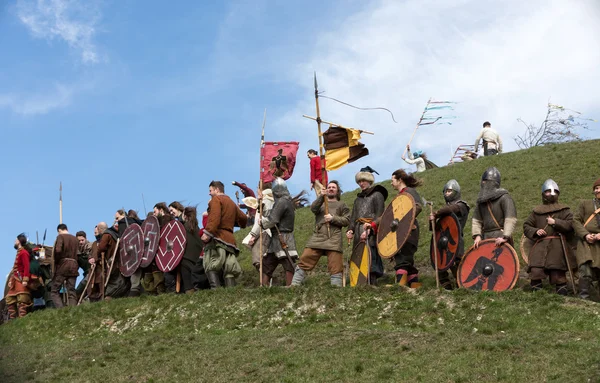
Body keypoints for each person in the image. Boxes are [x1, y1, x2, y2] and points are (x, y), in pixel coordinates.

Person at [367, 169, 424, 287]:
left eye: (392, 180)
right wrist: (373, 224)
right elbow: (386, 217)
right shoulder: (400, 196)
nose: (391, 183)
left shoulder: (409, 192)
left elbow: (417, 207)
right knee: (407, 260)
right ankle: (415, 286)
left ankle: (400, 285)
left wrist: (404, 223)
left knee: (402, 259)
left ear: (400, 180)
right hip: (401, 231)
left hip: (407, 232)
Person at [291, 181, 350, 287]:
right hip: (318, 236)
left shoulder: (342, 205)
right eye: (329, 187)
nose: (331, 189)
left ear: (337, 191)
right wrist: (321, 197)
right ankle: (294, 285)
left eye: (333, 187)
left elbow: (347, 220)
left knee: (336, 266)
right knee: (305, 259)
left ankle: (336, 290)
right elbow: (313, 208)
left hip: (334, 237)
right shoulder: (321, 203)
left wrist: (333, 218)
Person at [523, 179, 575, 295]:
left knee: (557, 270)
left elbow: (571, 224)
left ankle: (562, 295)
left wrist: (555, 222)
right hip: (540, 244)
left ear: (558, 193)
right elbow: (526, 226)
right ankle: (537, 294)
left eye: (554, 192)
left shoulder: (564, 210)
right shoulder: (536, 212)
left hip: (557, 244)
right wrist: (536, 231)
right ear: (543, 194)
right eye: (548, 192)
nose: (551, 194)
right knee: (536, 268)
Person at [201, 180, 248, 288]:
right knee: (229, 268)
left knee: (210, 264)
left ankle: (216, 292)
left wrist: (208, 233)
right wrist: (237, 224)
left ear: (217, 189)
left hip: (218, 237)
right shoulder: (231, 202)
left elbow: (214, 218)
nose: (209, 193)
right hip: (230, 240)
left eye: (210, 190)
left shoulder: (216, 200)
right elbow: (244, 218)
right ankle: (230, 293)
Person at [346, 166, 388, 285]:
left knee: (371, 254)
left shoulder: (377, 195)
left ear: (369, 181)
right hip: (359, 231)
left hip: (371, 229)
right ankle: (361, 282)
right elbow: (354, 217)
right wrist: (350, 230)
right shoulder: (357, 199)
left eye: (363, 181)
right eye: (359, 181)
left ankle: (373, 281)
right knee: (359, 254)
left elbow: (380, 215)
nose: (361, 183)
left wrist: (370, 229)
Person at [429, 179, 470, 289]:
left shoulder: (462, 205)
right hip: (442, 241)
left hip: (455, 239)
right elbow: (434, 229)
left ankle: (462, 285)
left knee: (457, 262)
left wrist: (437, 213)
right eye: (446, 191)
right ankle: (446, 286)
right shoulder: (445, 210)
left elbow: (451, 209)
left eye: (450, 191)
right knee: (440, 263)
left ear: (456, 192)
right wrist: (432, 220)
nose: (447, 193)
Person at [260, 178, 298, 286]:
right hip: (278, 237)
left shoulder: (282, 202)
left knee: (287, 263)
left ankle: (290, 286)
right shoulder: (287, 201)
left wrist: (262, 222)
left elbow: (273, 219)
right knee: (268, 263)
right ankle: (263, 287)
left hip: (282, 237)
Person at [472, 167, 517, 248]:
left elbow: (510, 218)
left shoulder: (504, 198)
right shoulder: (481, 201)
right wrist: (477, 236)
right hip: (485, 238)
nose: (483, 183)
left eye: (486, 181)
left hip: (500, 237)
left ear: (492, 183)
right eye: (483, 181)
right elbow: (476, 220)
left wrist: (505, 236)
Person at [573, 177, 600, 300]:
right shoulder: (585, 204)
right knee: (584, 269)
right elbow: (575, 220)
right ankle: (584, 299)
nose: (598, 190)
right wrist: (585, 235)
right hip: (585, 243)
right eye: (596, 188)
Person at [244, 187, 275, 272]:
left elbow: (260, 221)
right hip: (269, 232)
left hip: (264, 232)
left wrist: (253, 235)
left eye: (258, 192)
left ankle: (265, 281)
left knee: (259, 260)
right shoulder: (272, 200)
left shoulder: (264, 202)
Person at [98, 221, 129, 299]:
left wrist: (98, 255)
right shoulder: (115, 234)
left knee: (110, 280)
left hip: (111, 262)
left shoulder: (106, 235)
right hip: (118, 261)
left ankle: (108, 296)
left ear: (100, 229)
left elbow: (102, 247)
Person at [51, 224, 79, 308]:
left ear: (59, 230)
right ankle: (72, 309)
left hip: (63, 265)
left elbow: (58, 250)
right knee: (71, 290)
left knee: (54, 291)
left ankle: (61, 309)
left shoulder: (61, 237)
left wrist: (57, 260)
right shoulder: (75, 239)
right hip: (74, 265)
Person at [6, 234, 33, 319]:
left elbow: (26, 266)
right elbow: (15, 269)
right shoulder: (19, 252)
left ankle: (22, 318)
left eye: (16, 240)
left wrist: (25, 279)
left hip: (21, 279)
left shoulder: (24, 253)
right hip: (15, 279)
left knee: (22, 299)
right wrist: (11, 280)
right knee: (10, 299)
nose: (15, 241)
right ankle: (13, 319)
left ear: (19, 241)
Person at [180, 206, 203, 294]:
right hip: (198, 259)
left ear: (185, 216)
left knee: (189, 287)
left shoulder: (183, 228)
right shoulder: (197, 228)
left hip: (185, 259)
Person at [75, 231, 93, 299]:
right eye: (79, 241)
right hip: (86, 273)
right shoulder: (76, 250)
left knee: (82, 287)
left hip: (92, 272)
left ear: (85, 239)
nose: (81, 242)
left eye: (82, 240)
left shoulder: (91, 246)